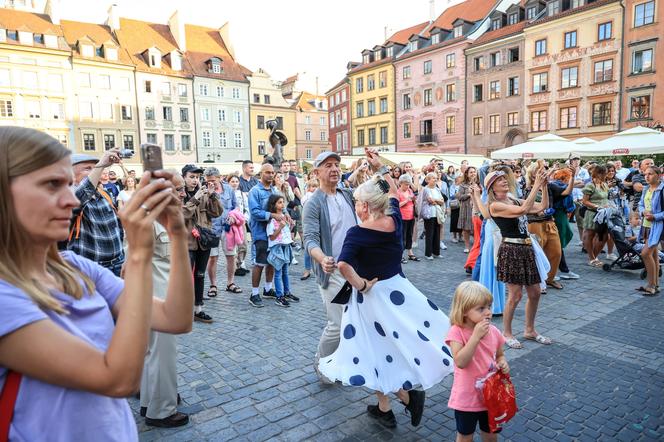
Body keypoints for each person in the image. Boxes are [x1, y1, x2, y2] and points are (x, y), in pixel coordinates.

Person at [0, 127, 193, 440]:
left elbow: (177, 318)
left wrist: (177, 232)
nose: (69, 200)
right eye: (52, 185)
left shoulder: (76, 268)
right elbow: (118, 379)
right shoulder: (5, 296)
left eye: (67, 184)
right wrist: (140, 254)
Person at [318, 156, 453, 429]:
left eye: (357, 202)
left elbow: (343, 265)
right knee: (383, 350)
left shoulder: (358, 232)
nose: (355, 207)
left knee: (372, 351)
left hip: (371, 299)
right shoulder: (393, 219)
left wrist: (362, 284)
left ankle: (405, 398)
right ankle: (387, 405)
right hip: (399, 292)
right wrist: (380, 166)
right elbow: (392, 190)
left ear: (365, 206)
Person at [140, 172, 190, 428]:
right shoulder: (146, 219)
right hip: (156, 292)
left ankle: (151, 400)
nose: (183, 195)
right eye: (178, 190)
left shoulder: (163, 217)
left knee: (155, 353)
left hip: (162, 288)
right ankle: (161, 410)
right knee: (162, 353)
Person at [303, 151, 358, 383]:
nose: (334, 169)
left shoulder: (346, 194)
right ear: (316, 173)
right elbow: (309, 239)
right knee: (337, 323)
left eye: (337, 165)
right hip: (332, 270)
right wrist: (322, 258)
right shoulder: (313, 203)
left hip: (354, 268)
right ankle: (321, 363)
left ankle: (341, 363)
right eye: (328, 165)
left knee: (353, 318)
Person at [487, 170, 551, 349]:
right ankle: (506, 333)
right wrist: (536, 184)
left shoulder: (513, 199)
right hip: (511, 249)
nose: (504, 181)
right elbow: (523, 210)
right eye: (499, 180)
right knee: (515, 295)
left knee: (535, 292)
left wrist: (544, 186)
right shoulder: (495, 205)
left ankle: (529, 330)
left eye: (503, 178)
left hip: (526, 247)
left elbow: (541, 207)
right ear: (492, 187)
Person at [446, 281, 509, 442]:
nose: (488, 312)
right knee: (465, 436)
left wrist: (502, 362)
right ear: (464, 310)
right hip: (467, 397)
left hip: (491, 395)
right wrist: (475, 337)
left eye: (489, 306)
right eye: (481, 308)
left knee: (490, 433)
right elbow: (460, 361)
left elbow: (499, 354)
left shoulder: (493, 330)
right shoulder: (457, 332)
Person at [66, 151, 125, 276]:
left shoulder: (104, 194)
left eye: (96, 167)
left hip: (117, 264)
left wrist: (121, 256)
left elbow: (117, 229)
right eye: (88, 168)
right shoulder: (69, 196)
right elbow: (83, 191)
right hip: (90, 268)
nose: (96, 172)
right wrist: (101, 165)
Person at [182, 164, 222, 323]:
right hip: (186, 242)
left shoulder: (205, 193)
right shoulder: (179, 193)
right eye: (191, 177)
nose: (194, 180)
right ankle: (183, 310)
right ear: (184, 177)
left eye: (197, 177)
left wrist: (212, 196)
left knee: (199, 274)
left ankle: (198, 309)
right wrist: (195, 198)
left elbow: (217, 213)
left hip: (203, 241)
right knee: (185, 277)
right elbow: (181, 214)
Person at [248, 163, 288, 307]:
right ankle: (254, 293)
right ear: (261, 173)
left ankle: (267, 288)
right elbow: (255, 212)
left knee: (272, 261)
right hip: (260, 232)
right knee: (260, 263)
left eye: (273, 173)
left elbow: (281, 205)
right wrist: (272, 215)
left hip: (275, 232)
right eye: (268, 173)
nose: (271, 175)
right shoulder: (255, 191)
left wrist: (286, 215)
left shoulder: (274, 189)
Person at [523, 163, 563, 290]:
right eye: (540, 171)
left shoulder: (548, 186)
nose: (543, 172)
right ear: (533, 174)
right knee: (537, 254)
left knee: (556, 252)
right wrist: (537, 210)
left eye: (544, 170)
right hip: (535, 223)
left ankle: (549, 279)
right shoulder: (528, 189)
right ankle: (538, 282)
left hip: (549, 222)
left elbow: (547, 204)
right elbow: (525, 207)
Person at [204, 167, 241, 296]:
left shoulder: (229, 189)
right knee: (212, 257)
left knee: (231, 256)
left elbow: (236, 206)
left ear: (219, 178)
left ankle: (230, 283)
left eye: (213, 180)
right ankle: (213, 285)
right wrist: (209, 193)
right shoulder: (204, 190)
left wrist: (233, 215)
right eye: (208, 180)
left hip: (227, 227)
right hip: (212, 228)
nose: (211, 183)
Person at [266, 194, 298, 307]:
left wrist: (291, 226)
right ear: (273, 205)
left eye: (282, 202)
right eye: (279, 202)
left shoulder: (284, 216)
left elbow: (287, 232)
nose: (282, 204)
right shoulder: (272, 220)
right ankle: (279, 296)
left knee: (285, 272)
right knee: (278, 272)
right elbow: (272, 237)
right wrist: (280, 227)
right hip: (278, 247)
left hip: (286, 245)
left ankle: (287, 292)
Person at [637, 166, 664, 296]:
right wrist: (643, 211)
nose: (647, 177)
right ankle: (656, 284)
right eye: (645, 174)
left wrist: (655, 216)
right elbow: (641, 204)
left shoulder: (662, 189)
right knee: (653, 255)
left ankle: (651, 285)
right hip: (646, 225)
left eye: (650, 174)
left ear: (659, 175)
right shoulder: (646, 188)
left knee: (645, 254)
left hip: (658, 226)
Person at [582, 165, 610, 268]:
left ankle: (594, 256)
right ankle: (592, 258)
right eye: (605, 173)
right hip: (592, 214)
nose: (606, 175)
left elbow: (605, 198)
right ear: (599, 173)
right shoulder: (590, 185)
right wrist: (597, 206)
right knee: (590, 235)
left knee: (604, 236)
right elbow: (584, 201)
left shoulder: (604, 184)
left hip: (604, 214)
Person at [228, 174, 250, 276]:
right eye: (232, 181)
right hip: (231, 223)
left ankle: (240, 262)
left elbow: (246, 208)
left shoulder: (242, 194)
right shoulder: (226, 194)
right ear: (228, 183)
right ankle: (235, 266)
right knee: (232, 246)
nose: (235, 183)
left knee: (243, 245)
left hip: (241, 222)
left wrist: (245, 218)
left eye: (236, 181)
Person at [421, 172, 445, 260]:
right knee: (429, 234)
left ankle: (436, 252)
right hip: (429, 214)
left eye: (436, 178)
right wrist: (437, 201)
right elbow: (430, 200)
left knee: (437, 233)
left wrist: (436, 201)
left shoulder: (437, 189)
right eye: (433, 178)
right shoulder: (425, 189)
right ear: (428, 180)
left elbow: (442, 201)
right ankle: (428, 254)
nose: (435, 180)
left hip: (437, 214)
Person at [299, 177, 319, 281]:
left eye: (316, 186)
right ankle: (307, 269)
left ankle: (318, 269)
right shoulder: (307, 197)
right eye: (312, 187)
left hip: (319, 224)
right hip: (309, 225)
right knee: (308, 247)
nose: (314, 189)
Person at [397, 174, 419, 263]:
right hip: (402, 217)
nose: (407, 186)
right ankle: (400, 255)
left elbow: (414, 201)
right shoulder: (397, 192)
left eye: (408, 184)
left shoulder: (409, 190)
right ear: (401, 183)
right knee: (402, 236)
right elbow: (396, 205)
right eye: (406, 184)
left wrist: (414, 199)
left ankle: (410, 252)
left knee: (409, 235)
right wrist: (406, 200)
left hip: (411, 216)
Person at [458, 167, 478, 253]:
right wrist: (468, 194)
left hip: (476, 207)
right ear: (467, 174)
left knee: (476, 227)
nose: (473, 174)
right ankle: (467, 246)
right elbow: (459, 197)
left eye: (474, 172)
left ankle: (476, 245)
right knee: (466, 228)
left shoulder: (479, 184)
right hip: (466, 208)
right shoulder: (463, 185)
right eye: (471, 172)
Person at [449, 176, 462, 243]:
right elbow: (451, 196)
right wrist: (457, 194)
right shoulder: (452, 187)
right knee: (454, 220)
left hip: (461, 205)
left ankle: (460, 236)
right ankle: (454, 236)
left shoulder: (462, 186)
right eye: (459, 179)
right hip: (454, 205)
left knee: (460, 220)